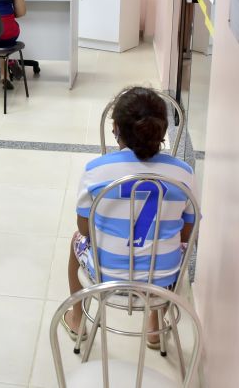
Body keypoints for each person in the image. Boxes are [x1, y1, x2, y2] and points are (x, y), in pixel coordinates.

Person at [63, 87, 196, 348]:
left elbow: (84, 229)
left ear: (116, 129)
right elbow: (186, 235)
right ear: (160, 131)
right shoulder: (184, 174)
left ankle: (78, 318)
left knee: (75, 240)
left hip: (107, 276)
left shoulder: (96, 171)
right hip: (164, 278)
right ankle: (155, 326)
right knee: (166, 244)